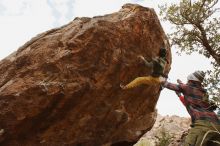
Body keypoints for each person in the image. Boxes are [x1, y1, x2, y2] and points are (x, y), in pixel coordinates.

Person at [161, 70, 220, 146]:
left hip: (202, 125)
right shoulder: (203, 92)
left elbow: (167, 84)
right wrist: (180, 93)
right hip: (217, 125)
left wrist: (159, 78)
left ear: (191, 79)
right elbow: (192, 100)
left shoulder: (187, 88)